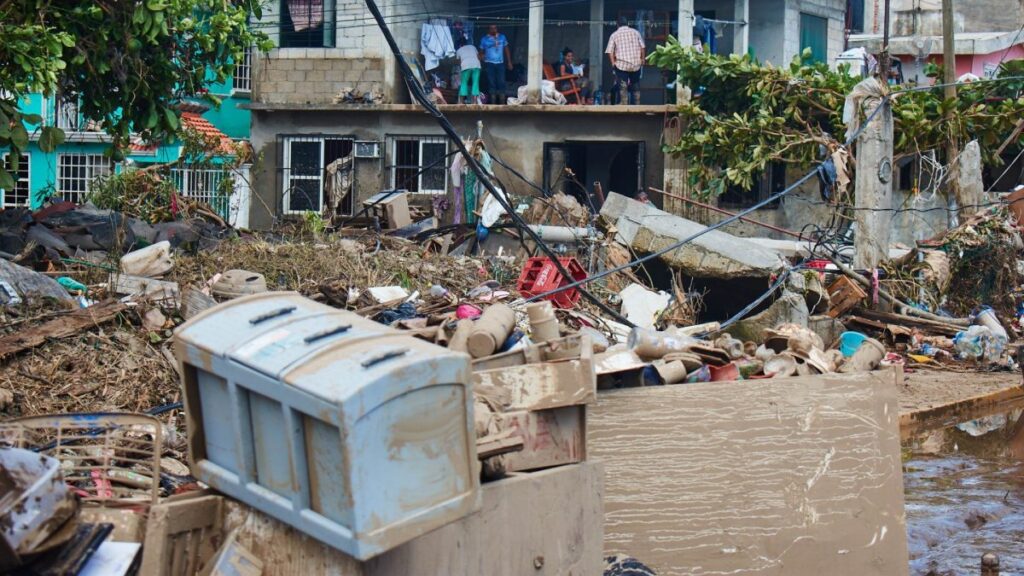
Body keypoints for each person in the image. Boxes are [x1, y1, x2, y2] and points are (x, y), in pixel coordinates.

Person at [605, 15, 645, 105]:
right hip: (635, 64)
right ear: (627, 24)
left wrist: (612, 63)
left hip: (621, 64)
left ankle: (624, 102)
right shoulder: (636, 32)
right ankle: (637, 103)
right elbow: (642, 46)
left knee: (623, 84)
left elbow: (609, 51)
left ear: (617, 25)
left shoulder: (614, 35)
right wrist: (642, 59)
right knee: (635, 84)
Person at [480, 24, 512, 105]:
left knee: (501, 81)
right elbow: (481, 52)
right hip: (489, 63)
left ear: (497, 28)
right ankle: (493, 102)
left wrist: (509, 62)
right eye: (491, 28)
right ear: (489, 29)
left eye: (495, 28)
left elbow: (506, 50)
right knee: (491, 82)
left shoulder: (502, 37)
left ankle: (502, 102)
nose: (493, 29)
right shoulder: (484, 39)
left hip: (500, 63)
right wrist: (482, 58)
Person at [455, 37, 481, 104]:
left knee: (464, 83)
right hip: (476, 65)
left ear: (459, 45)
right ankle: (474, 102)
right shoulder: (473, 47)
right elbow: (478, 57)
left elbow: (459, 62)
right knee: (475, 83)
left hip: (466, 66)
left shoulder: (458, 50)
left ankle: (461, 102)